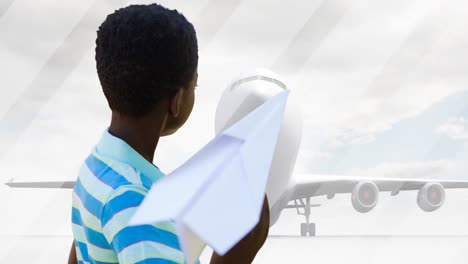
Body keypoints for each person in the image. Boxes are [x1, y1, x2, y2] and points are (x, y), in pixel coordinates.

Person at [68, 3, 269, 264]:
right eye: (194, 84)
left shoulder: (97, 167)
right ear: (176, 101)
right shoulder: (140, 208)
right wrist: (236, 255)